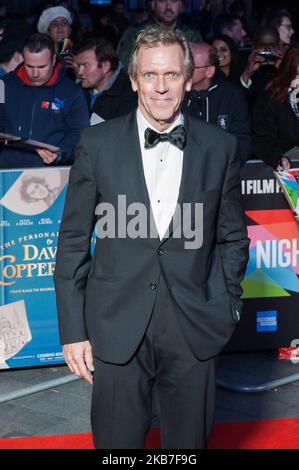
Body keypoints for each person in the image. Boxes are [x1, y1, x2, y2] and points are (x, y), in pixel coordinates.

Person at [54, 25, 249, 449]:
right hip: (115, 322)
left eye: (171, 75)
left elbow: (233, 237)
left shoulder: (220, 146)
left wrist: (226, 304)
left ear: (188, 77)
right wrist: (72, 330)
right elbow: (72, 240)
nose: (161, 88)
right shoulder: (97, 142)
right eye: (150, 75)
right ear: (133, 79)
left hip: (193, 324)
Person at [0, 33, 89, 169]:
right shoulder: (3, 85)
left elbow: (79, 133)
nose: (35, 73)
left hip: (51, 172)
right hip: (6, 169)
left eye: (42, 67)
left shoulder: (71, 92)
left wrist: (61, 154)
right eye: (29, 66)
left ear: (53, 60)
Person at [183, 42, 251, 164]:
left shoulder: (232, 96)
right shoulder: (175, 95)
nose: (185, 69)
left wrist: (219, 166)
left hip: (222, 174)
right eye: (184, 64)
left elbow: (242, 143)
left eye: (191, 66)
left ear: (209, 71)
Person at [117, 0, 203, 70]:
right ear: (153, 4)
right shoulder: (134, 33)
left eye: (174, 1)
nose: (168, 7)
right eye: (162, 1)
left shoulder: (192, 35)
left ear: (181, 5)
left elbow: (199, 69)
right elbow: (124, 68)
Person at [252, 44, 299, 171]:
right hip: (287, 169)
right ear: (289, 74)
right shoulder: (271, 100)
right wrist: (277, 158)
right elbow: (262, 141)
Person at [75, 37, 137, 122]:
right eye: (78, 66)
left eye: (86, 66)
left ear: (105, 66)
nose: (79, 72)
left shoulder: (129, 95)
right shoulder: (77, 90)